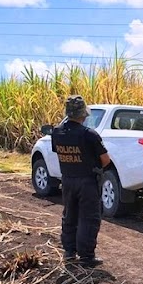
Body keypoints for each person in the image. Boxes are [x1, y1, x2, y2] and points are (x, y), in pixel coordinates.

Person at [52, 95, 111, 267]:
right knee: (89, 218)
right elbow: (105, 160)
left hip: (68, 180)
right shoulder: (89, 135)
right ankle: (86, 256)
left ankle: (69, 252)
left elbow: (59, 152)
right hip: (87, 182)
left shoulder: (57, 132)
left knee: (69, 215)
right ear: (83, 114)